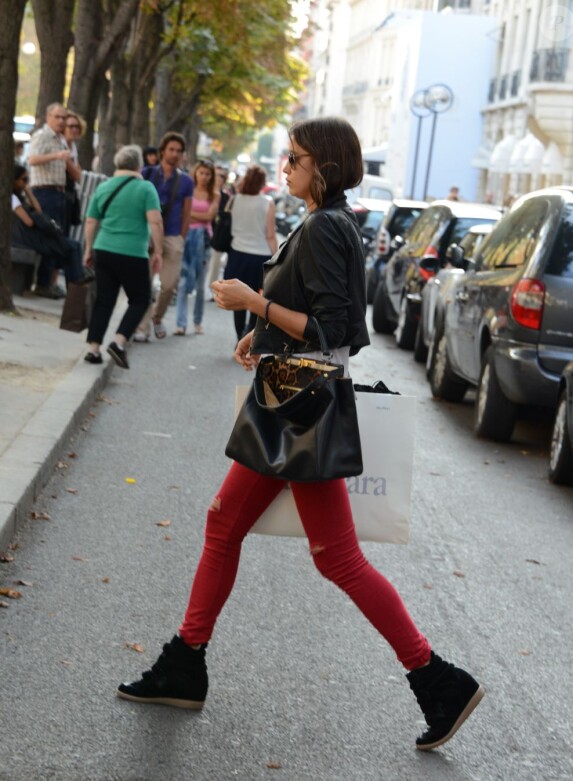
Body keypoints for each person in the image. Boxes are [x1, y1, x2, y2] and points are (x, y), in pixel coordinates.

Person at [117, 117, 484, 751]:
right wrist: (262, 339)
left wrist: (253, 304)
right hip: (293, 393)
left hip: (300, 405)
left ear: (325, 167)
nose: (286, 166)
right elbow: (323, 323)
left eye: (296, 158)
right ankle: (186, 661)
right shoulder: (331, 222)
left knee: (333, 557)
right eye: (287, 157)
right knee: (226, 525)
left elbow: (332, 329)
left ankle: (436, 677)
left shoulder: (323, 227)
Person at [83, 145, 163, 369]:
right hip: (132, 252)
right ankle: (119, 342)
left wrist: (88, 249)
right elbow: (155, 222)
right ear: (139, 165)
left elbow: (91, 221)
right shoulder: (146, 188)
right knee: (140, 299)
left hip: (103, 249)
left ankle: (93, 350)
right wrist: (158, 251)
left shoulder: (104, 187)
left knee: (104, 299)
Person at [134, 132, 193, 342]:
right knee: (144, 284)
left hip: (172, 235)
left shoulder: (186, 181)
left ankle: (156, 316)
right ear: (162, 151)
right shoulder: (147, 173)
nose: (175, 154)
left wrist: (181, 237)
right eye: (171, 149)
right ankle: (142, 329)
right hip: (147, 234)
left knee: (169, 284)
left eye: (179, 151)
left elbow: (187, 212)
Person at [222, 164, 278, 340]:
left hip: (237, 254)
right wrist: (277, 258)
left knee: (239, 298)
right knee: (257, 298)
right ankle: (249, 334)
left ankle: (239, 336)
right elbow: (270, 235)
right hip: (261, 256)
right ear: (262, 183)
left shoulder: (234, 200)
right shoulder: (268, 202)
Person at [11, 163, 84, 288]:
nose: (26, 183)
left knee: (73, 246)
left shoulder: (19, 197)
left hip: (29, 236)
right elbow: (29, 222)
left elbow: (39, 210)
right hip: (24, 238)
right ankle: (76, 285)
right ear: (14, 180)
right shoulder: (12, 198)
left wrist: (28, 192)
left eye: (28, 179)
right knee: (72, 247)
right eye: (24, 179)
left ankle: (76, 284)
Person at [27, 102, 71, 298]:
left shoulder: (60, 139)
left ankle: (47, 282)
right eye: (57, 117)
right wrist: (56, 155)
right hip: (44, 192)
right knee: (48, 237)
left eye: (64, 117)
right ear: (48, 117)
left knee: (56, 237)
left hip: (58, 193)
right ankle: (41, 283)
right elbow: (32, 159)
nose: (61, 121)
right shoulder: (42, 136)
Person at [174, 160, 220, 335]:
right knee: (182, 282)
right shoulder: (188, 189)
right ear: (195, 173)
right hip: (185, 238)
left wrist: (189, 214)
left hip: (204, 241)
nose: (204, 177)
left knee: (201, 285)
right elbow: (180, 212)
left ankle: (197, 321)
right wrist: (195, 216)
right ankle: (180, 323)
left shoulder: (214, 194)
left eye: (208, 174)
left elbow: (209, 216)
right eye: (201, 173)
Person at [205, 166, 231, 298]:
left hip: (217, 235)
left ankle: (210, 288)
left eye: (222, 176)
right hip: (202, 231)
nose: (219, 178)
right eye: (217, 175)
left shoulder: (226, 196)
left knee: (215, 263)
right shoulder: (205, 193)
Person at [63, 110, 85, 232]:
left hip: (70, 194)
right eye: (71, 126)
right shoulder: (61, 146)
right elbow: (77, 175)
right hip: (61, 195)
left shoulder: (73, 147)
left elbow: (79, 173)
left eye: (77, 126)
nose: (75, 129)